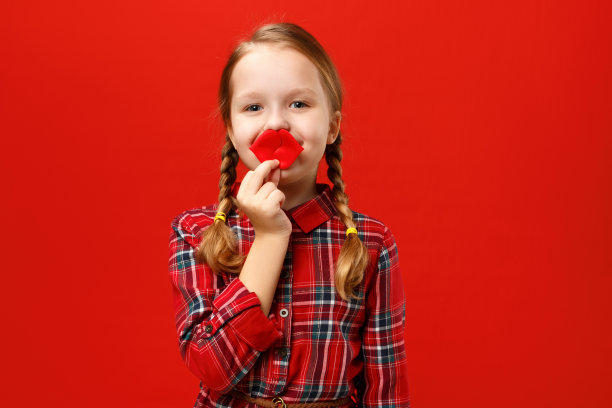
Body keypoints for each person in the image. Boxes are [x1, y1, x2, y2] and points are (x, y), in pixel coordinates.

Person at [168, 22, 410, 408]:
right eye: (253, 107)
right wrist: (269, 237)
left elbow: (386, 390)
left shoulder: (372, 243)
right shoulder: (194, 232)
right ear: (231, 130)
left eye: (299, 104)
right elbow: (212, 368)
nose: (277, 123)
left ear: (332, 127)